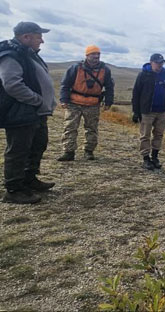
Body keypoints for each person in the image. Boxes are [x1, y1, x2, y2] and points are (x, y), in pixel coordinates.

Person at [0, 22, 57, 204]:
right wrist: (37, 100)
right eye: (38, 36)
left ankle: (29, 179)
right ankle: (14, 189)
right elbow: (12, 84)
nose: (42, 40)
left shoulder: (27, 54)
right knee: (18, 150)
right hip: (20, 112)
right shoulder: (11, 55)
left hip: (35, 113)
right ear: (26, 37)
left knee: (37, 145)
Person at [57, 45, 115, 161]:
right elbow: (65, 84)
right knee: (70, 127)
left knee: (92, 128)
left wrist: (108, 102)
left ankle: (89, 151)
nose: (96, 56)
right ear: (87, 55)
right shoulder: (75, 68)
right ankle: (68, 152)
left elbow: (109, 87)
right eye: (93, 54)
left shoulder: (105, 70)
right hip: (74, 102)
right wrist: (63, 99)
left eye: (98, 54)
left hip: (93, 103)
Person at [131, 53, 165, 170]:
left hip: (162, 111)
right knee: (145, 135)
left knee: (159, 134)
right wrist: (136, 112)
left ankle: (155, 157)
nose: (160, 65)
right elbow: (136, 94)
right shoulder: (143, 75)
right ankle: (146, 159)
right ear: (151, 62)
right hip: (147, 111)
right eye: (157, 62)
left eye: (162, 62)